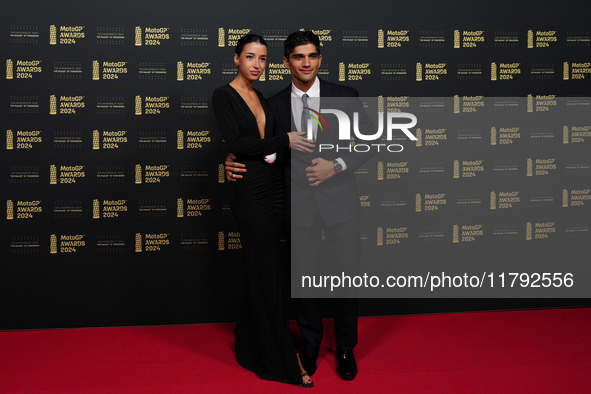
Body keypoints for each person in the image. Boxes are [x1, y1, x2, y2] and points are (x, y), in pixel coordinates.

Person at [226, 30, 373, 381]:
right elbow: (261, 145)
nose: (306, 63)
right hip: (296, 204)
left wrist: (336, 165)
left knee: (345, 278)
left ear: (320, 59)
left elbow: (373, 141)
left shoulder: (345, 95)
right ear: (286, 62)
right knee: (303, 281)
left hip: (340, 205)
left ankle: (345, 347)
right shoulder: (272, 103)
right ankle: (310, 342)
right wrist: (231, 158)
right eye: (298, 57)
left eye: (312, 56)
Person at [212, 34, 316, 387]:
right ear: (236, 59)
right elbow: (239, 144)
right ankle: (284, 359)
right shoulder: (224, 95)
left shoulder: (262, 98)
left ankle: (249, 343)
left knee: (264, 270)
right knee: (267, 273)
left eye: (263, 59)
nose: (257, 65)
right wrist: (283, 139)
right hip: (249, 193)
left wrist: (276, 145)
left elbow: (266, 151)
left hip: (273, 189)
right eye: (250, 57)